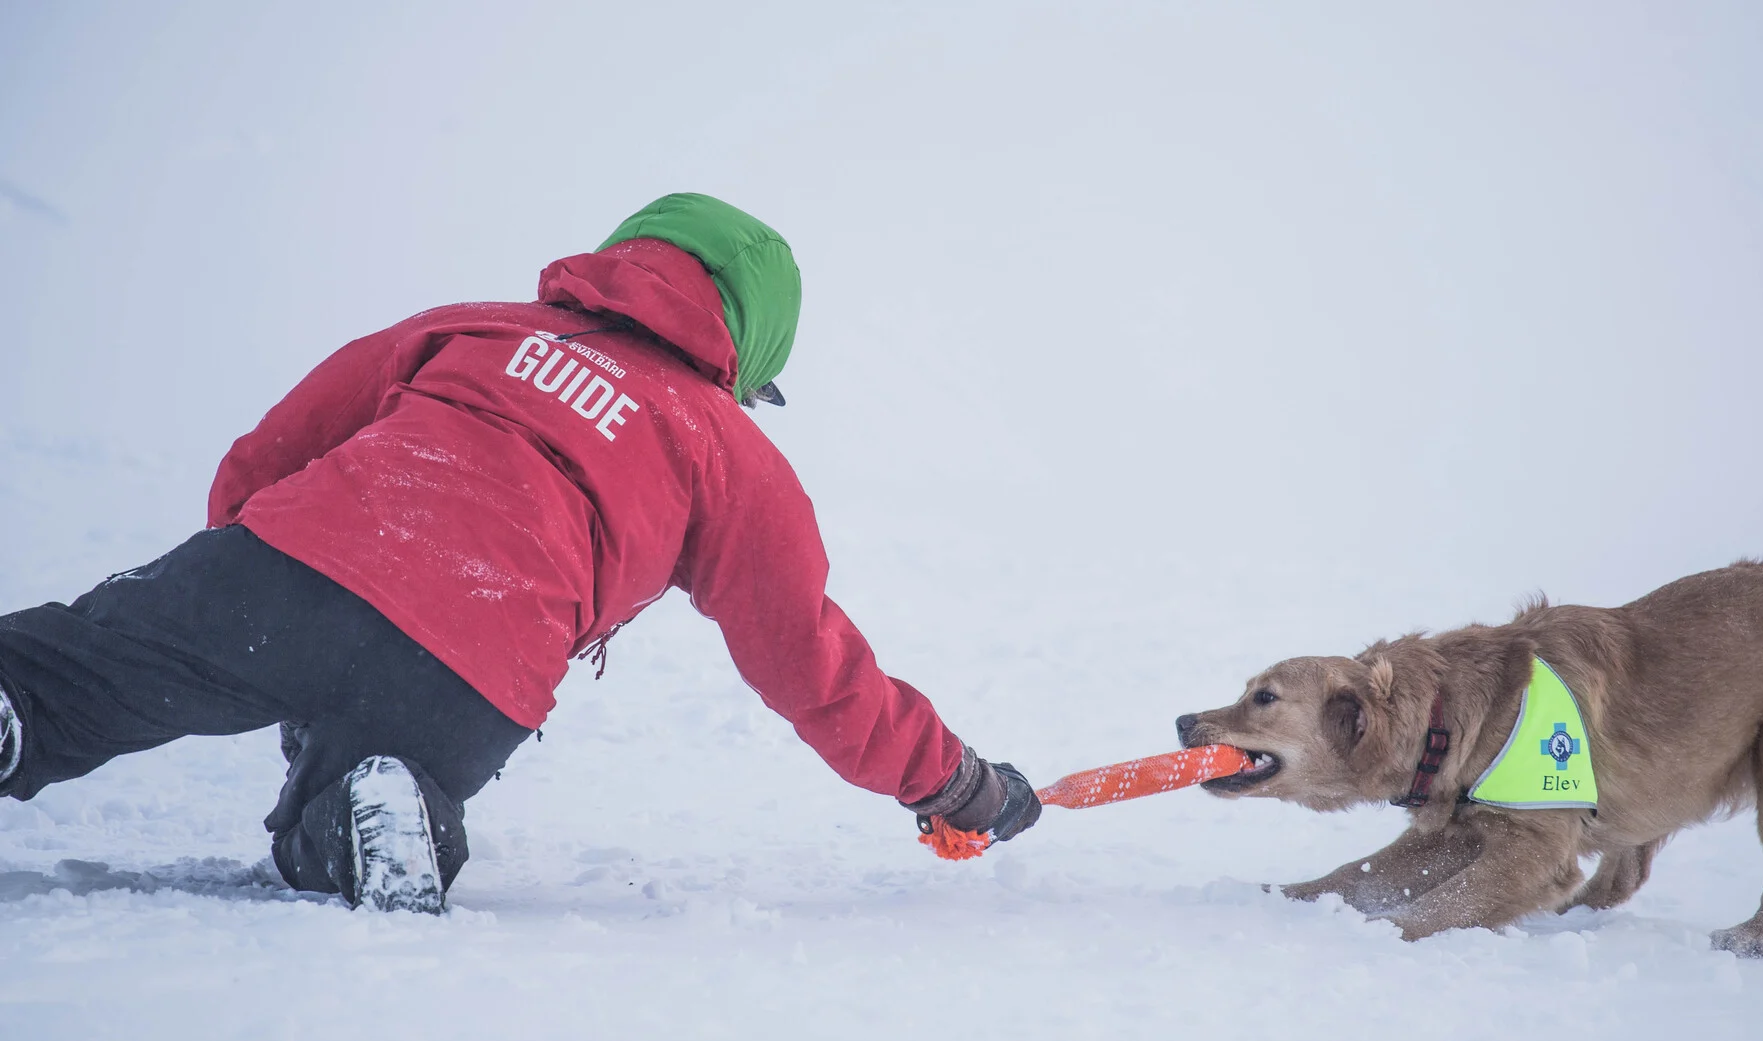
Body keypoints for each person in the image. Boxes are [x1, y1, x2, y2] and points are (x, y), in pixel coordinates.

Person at [0, 193, 1041, 912]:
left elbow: (266, 456)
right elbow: (807, 660)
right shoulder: (726, 449)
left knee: (79, 673)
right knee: (360, 800)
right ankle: (380, 810)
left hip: (294, 569)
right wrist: (954, 784)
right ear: (745, 357)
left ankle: (18, 706)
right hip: (475, 668)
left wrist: (247, 609)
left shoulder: (475, 328)